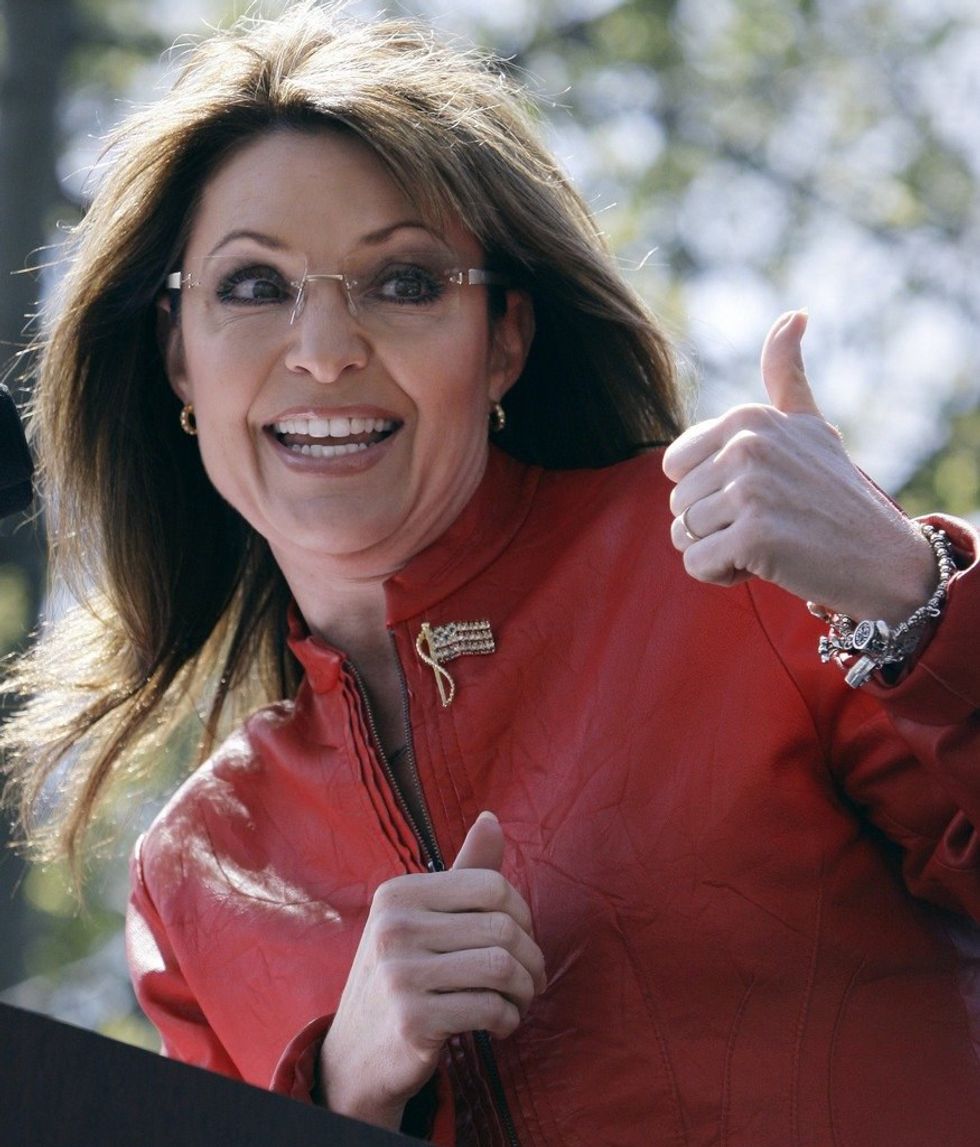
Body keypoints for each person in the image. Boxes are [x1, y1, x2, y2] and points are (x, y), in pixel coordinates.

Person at [3, 3, 979, 1144]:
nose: (324, 350)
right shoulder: (198, 871)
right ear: (179, 355)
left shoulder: (743, 572)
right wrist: (346, 1085)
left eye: (404, 282)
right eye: (255, 287)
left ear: (503, 337)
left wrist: (914, 594)